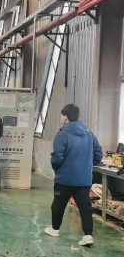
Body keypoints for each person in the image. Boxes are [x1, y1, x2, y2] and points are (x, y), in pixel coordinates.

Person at [44, 104, 103, 247]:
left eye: (62, 115)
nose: (61, 118)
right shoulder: (89, 133)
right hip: (84, 179)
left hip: (64, 179)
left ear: (66, 117)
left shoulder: (62, 135)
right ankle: (88, 236)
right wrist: (88, 164)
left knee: (58, 204)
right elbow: (98, 153)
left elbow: (57, 158)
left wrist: (58, 169)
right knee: (85, 207)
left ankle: (55, 229)